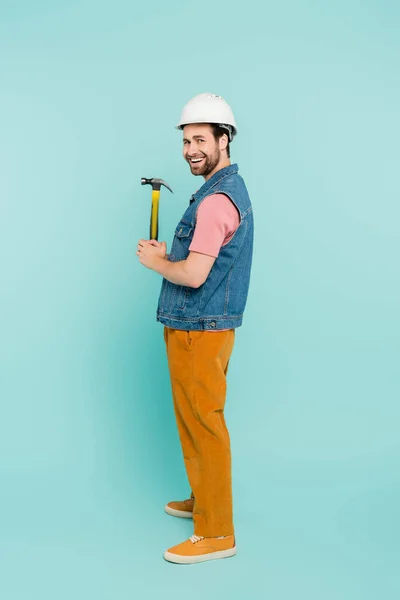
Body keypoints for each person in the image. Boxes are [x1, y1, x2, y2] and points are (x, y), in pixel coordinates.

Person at [136, 93, 254, 564]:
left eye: (201, 139)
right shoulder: (223, 191)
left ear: (224, 140)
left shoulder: (215, 202)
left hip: (199, 328)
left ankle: (217, 532)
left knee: (204, 423)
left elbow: (194, 274)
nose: (191, 149)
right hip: (198, 324)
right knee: (192, 419)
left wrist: (157, 260)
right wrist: (171, 258)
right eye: (186, 141)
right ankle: (204, 500)